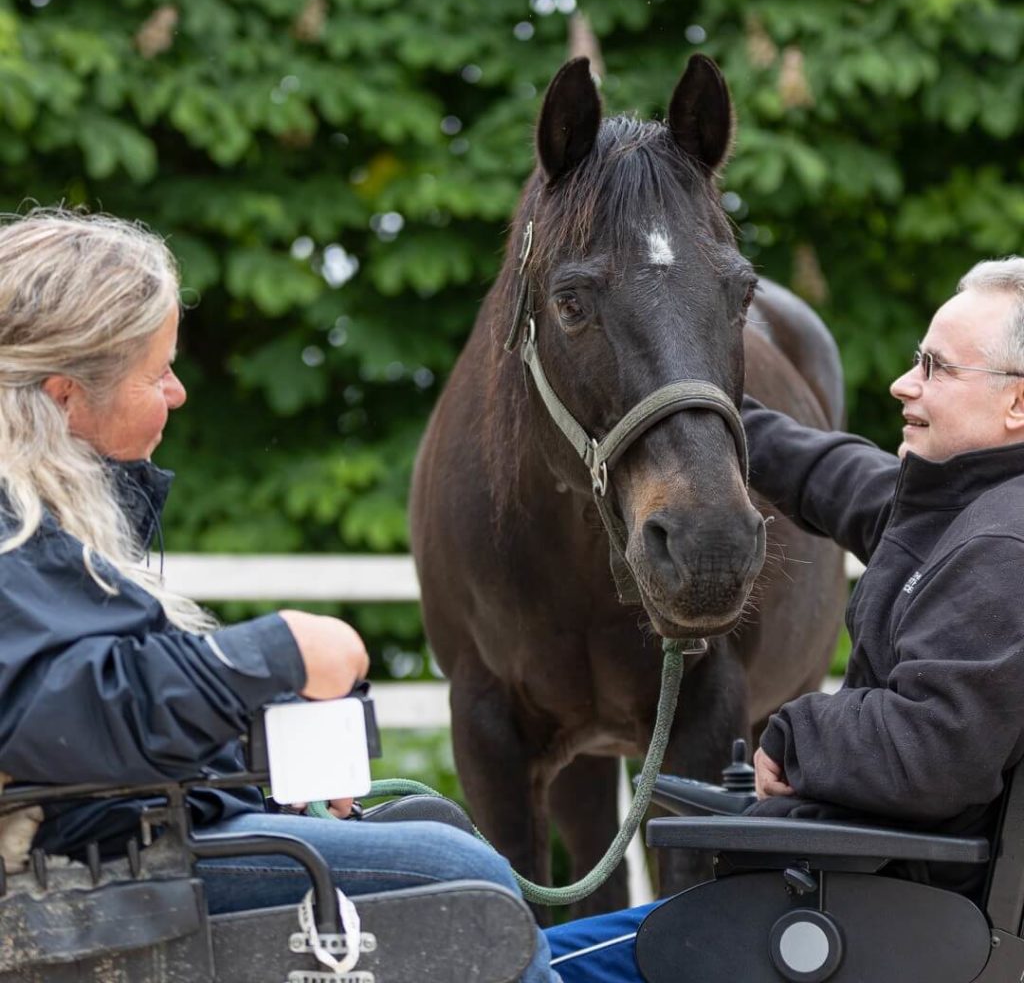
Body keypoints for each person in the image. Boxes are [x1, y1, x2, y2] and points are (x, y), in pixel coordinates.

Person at [0, 209, 559, 983]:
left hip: (133, 840)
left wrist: (261, 738)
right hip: (99, 869)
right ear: (64, 396)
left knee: (435, 829)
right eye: (155, 372)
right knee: (463, 879)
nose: (179, 391)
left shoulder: (39, 521)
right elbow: (53, 716)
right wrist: (277, 650)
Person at [546, 255, 1024, 981]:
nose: (905, 383)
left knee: (524, 960)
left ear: (1016, 405)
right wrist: (684, 402)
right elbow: (823, 473)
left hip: (868, 913)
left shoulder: (1002, 551)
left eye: (936, 367)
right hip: (849, 881)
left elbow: (930, 751)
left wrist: (796, 735)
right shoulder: (958, 503)